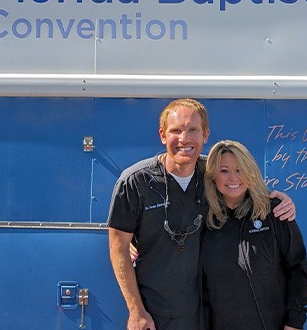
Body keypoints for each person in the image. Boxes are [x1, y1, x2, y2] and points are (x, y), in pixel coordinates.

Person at [107, 98, 296, 330]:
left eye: (193, 130)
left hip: (209, 316)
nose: (184, 139)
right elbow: (118, 247)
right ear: (162, 135)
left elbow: (245, 186)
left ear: (206, 135)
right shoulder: (135, 182)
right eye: (176, 130)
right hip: (156, 315)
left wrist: (279, 199)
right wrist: (136, 311)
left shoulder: (213, 173)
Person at [201, 140, 307, 330]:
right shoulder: (204, 218)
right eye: (224, 170)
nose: (233, 178)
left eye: (239, 170)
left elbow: (297, 269)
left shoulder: (275, 211)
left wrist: (294, 323)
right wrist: (132, 243)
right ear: (213, 176)